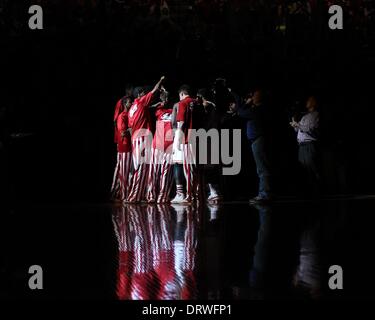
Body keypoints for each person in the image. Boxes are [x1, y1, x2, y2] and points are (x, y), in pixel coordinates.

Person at [126, 76, 165, 203]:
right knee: (143, 167)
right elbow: (154, 90)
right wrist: (160, 80)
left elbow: (132, 126)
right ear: (140, 94)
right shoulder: (142, 102)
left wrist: (156, 105)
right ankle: (135, 196)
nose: (145, 93)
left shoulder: (133, 108)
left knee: (138, 166)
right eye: (143, 92)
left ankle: (138, 194)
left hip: (134, 139)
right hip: (143, 138)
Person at [238, 89, 272, 204]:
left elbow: (241, 112)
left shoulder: (258, 109)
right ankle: (264, 193)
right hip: (256, 141)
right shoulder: (256, 109)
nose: (252, 96)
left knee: (262, 168)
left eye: (255, 95)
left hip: (259, 140)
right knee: (261, 168)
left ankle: (264, 194)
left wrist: (247, 103)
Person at [146, 88, 174, 203]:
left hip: (169, 146)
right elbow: (146, 108)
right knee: (153, 171)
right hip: (157, 145)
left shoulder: (173, 111)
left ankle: (162, 196)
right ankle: (151, 195)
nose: (166, 100)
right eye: (164, 98)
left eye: (167, 98)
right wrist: (157, 103)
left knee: (166, 173)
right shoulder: (158, 110)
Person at [290, 96, 321, 195]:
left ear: (314, 102)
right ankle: (309, 192)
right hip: (301, 146)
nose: (307, 101)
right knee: (304, 171)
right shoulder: (304, 116)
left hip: (309, 145)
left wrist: (298, 125)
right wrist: (295, 124)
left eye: (309, 100)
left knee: (312, 169)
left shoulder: (315, 115)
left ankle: (318, 191)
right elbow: (298, 129)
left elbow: (310, 129)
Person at [171, 85, 196, 203]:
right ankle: (197, 194)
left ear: (181, 93)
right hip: (200, 138)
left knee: (186, 168)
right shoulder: (198, 102)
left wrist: (178, 139)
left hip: (187, 139)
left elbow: (179, 122)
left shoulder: (181, 103)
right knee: (195, 168)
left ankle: (188, 195)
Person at [196, 88, 222, 203]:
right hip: (210, 138)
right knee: (210, 167)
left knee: (209, 167)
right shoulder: (211, 107)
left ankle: (213, 192)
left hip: (208, 138)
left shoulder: (208, 108)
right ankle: (212, 191)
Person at [111, 96, 133, 202]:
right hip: (124, 147)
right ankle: (124, 196)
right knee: (124, 172)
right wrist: (132, 129)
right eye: (129, 102)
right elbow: (123, 132)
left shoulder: (128, 115)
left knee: (126, 171)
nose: (131, 103)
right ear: (125, 104)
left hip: (128, 146)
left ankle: (121, 194)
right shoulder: (122, 116)